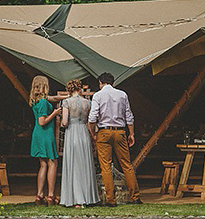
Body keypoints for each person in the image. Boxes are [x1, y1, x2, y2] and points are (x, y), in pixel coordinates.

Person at [88, 72, 142, 206]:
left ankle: (111, 200)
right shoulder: (122, 94)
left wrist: (93, 133)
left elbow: (92, 118)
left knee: (105, 166)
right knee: (127, 165)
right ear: (113, 82)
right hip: (120, 132)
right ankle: (135, 197)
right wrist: (132, 134)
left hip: (104, 131)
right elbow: (129, 116)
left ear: (101, 83)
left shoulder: (98, 95)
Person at [59, 79, 100, 208]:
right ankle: (87, 197)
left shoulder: (66, 102)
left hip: (72, 132)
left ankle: (76, 199)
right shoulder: (88, 103)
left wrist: (61, 123)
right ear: (80, 89)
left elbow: (65, 122)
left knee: (74, 164)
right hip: (84, 133)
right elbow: (92, 121)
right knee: (84, 164)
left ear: (69, 90)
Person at [29, 75, 61, 205]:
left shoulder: (37, 100)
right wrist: (54, 113)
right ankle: (51, 195)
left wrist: (68, 95)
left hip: (38, 134)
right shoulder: (43, 102)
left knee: (42, 165)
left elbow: (54, 98)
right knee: (52, 163)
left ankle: (40, 195)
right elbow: (42, 121)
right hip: (46, 134)